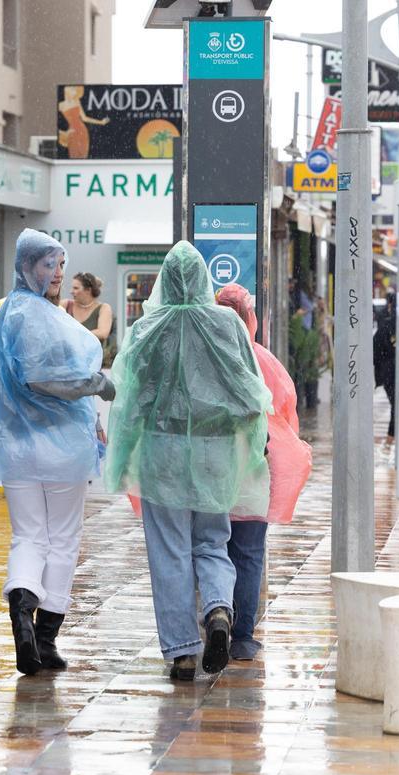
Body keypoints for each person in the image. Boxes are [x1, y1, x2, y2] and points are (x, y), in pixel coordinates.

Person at [0, 231, 114, 675]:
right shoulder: (39, 318)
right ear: (27, 266)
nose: (56, 273)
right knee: (63, 539)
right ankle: (46, 636)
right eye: (47, 264)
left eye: (60, 264)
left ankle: (21, 602)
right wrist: (94, 385)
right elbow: (44, 379)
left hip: (16, 449)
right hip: (61, 451)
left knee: (29, 535)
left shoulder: (4, 317)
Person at [106, 242, 271, 682]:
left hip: (163, 449)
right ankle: (219, 609)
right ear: (203, 279)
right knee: (213, 542)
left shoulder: (148, 328)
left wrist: (121, 456)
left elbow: (132, 399)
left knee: (169, 550)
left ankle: (182, 651)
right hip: (215, 449)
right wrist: (250, 444)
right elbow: (251, 391)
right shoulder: (226, 325)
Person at [216, 284, 312, 661]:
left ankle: (215, 615)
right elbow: (286, 413)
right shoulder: (263, 361)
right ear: (249, 318)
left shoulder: (207, 357)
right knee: (249, 552)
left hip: (210, 472)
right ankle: (240, 634)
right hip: (255, 469)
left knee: (211, 549)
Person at [64, 272, 114, 346]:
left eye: (76, 288)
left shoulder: (103, 308)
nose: (71, 291)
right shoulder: (65, 304)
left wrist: (74, 336)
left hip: (92, 357)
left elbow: (103, 333)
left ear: (88, 290)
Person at [374, 292, 397, 445]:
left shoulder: (386, 325)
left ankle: (389, 443)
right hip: (396, 372)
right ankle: (390, 442)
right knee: (398, 406)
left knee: (396, 406)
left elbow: (375, 350)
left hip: (388, 373)